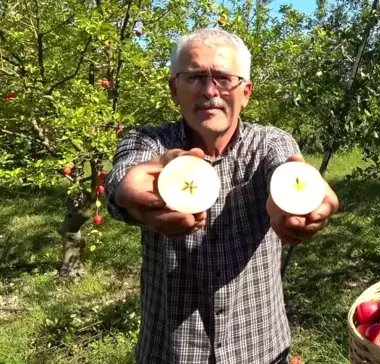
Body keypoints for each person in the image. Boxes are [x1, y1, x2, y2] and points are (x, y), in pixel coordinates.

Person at [105, 28, 339, 364]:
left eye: (224, 78)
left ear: (245, 92)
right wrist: (129, 193)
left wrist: (293, 205)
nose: (210, 90)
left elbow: (287, 170)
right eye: (195, 77)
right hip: (171, 353)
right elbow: (126, 171)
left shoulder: (269, 144)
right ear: (174, 89)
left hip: (261, 349)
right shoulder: (150, 143)